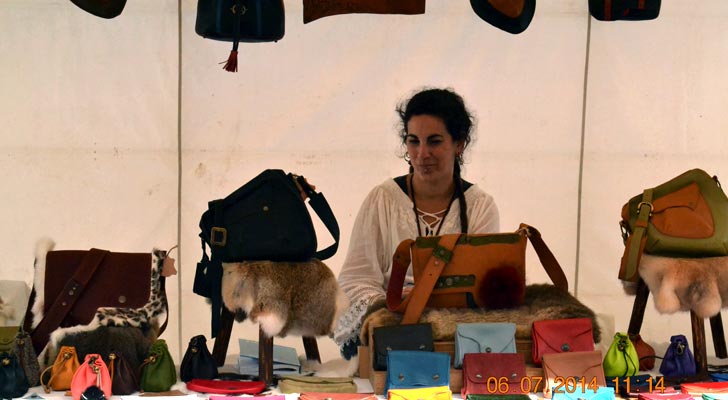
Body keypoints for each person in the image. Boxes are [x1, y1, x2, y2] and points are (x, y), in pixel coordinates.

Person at [333, 87, 500, 359]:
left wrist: (430, 305)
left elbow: (482, 290)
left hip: (456, 343)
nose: (422, 153)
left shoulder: (480, 206)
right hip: (391, 338)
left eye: (434, 141)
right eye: (413, 141)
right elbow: (355, 279)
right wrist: (394, 305)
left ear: (460, 144)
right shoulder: (383, 199)